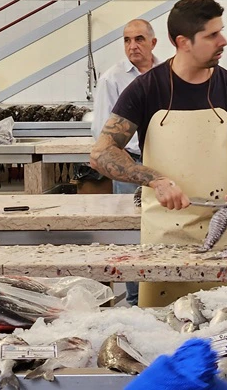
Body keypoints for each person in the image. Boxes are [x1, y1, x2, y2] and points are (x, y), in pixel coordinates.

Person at [90, 0, 227, 307]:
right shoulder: (147, 89)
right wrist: (155, 180)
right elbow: (101, 153)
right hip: (163, 244)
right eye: (211, 35)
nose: (223, 41)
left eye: (221, 32)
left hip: (224, 241)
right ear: (182, 42)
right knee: (161, 334)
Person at [91, 19, 160, 307]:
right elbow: (101, 133)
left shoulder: (169, 73)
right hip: (128, 164)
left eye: (140, 39)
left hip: (161, 160)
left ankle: (162, 291)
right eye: (127, 40)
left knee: (162, 226)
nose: (133, 45)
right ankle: (134, 299)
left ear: (153, 43)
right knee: (131, 231)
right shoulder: (112, 79)